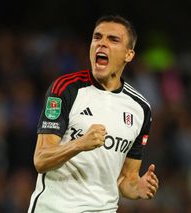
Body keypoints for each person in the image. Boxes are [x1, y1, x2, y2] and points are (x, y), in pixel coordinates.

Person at [28, 15, 159, 213]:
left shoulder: (140, 108)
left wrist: (137, 188)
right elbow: (41, 159)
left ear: (129, 54)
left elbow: (126, 179)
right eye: (97, 37)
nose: (102, 44)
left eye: (113, 40)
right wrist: (80, 143)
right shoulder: (65, 89)